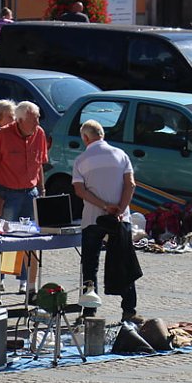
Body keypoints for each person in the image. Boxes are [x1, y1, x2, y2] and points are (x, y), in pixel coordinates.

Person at [72, 120, 142, 324]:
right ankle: (129, 309)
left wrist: (104, 205)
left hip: (93, 217)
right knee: (125, 261)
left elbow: (80, 190)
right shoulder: (121, 155)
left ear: (85, 138)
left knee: (90, 264)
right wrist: (120, 208)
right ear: (102, 134)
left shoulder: (81, 159)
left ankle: (89, 310)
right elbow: (130, 184)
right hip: (121, 217)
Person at [0, 101, 47, 296]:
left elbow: (40, 164)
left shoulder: (40, 134)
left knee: (32, 241)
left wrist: (42, 192)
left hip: (31, 193)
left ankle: (29, 286)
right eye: (34, 119)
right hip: (7, 194)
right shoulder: (2, 136)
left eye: (38, 118)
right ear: (20, 120)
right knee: (0, 241)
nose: (38, 122)